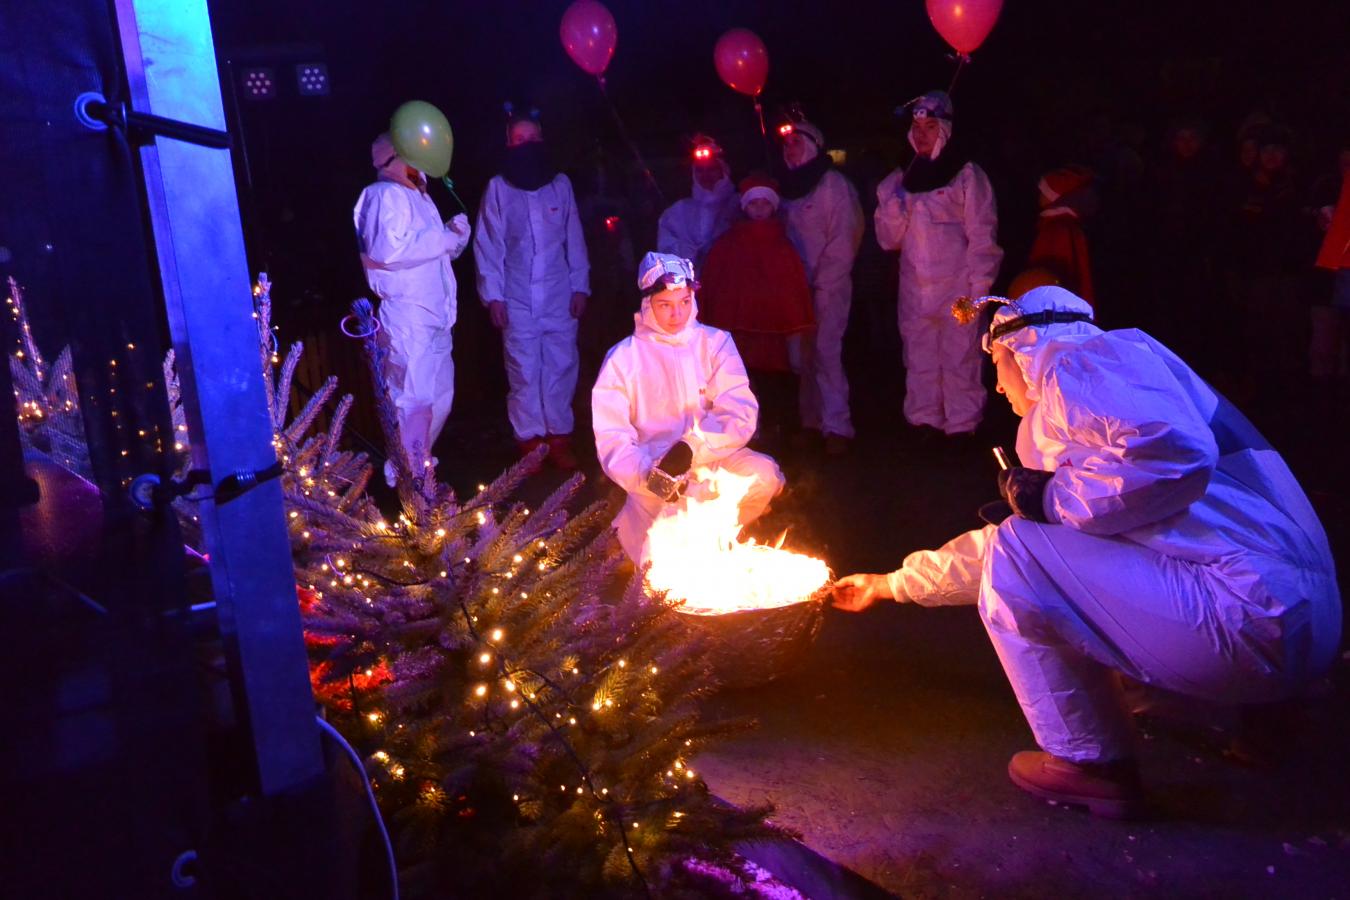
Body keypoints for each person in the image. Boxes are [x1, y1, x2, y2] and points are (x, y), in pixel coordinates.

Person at [832, 286, 1341, 819]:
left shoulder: (1078, 366)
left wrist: (1050, 496)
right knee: (1034, 550)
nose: (1000, 388)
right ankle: (1261, 716)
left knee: (1018, 547)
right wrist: (891, 583)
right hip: (1305, 629)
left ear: (1019, 350)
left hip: (1248, 626)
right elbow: (1068, 541)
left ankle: (1090, 764)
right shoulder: (1139, 375)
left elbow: (1176, 456)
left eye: (996, 367)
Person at [592, 252, 784, 563]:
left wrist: (693, 448)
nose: (677, 313)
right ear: (648, 305)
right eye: (665, 305)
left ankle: (727, 534)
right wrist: (651, 476)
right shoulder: (623, 358)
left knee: (763, 475)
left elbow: (738, 410)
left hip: (712, 456)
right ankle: (631, 538)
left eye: (684, 301)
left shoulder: (716, 342)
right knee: (662, 567)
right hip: (654, 471)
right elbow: (612, 436)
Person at [875, 90, 1002, 441]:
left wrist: (979, 289)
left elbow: (982, 234)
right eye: (918, 127)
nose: (921, 135)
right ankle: (924, 422)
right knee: (920, 358)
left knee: (961, 358)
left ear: (945, 130)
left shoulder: (965, 176)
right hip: (915, 289)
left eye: (931, 127)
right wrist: (893, 207)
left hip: (957, 286)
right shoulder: (899, 181)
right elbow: (889, 240)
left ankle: (962, 426)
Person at [473, 109, 590, 469]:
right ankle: (529, 440)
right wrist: (493, 295)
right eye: (519, 140)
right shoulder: (498, 188)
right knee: (523, 370)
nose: (527, 145)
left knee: (560, 364)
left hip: (558, 294)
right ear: (509, 143)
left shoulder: (560, 184)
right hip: (517, 296)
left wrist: (579, 286)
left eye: (533, 139)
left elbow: (574, 238)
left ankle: (558, 436)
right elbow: (488, 244)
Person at [354, 132, 471, 486]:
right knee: (414, 402)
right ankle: (413, 483)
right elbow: (388, 250)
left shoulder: (419, 197)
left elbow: (428, 254)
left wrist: (454, 238)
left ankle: (416, 470)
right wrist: (444, 239)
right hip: (408, 317)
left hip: (435, 315)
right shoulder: (382, 195)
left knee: (440, 399)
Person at [699, 174, 816, 442]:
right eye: (754, 204)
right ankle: (745, 432)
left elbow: (792, 284)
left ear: (773, 206)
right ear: (744, 206)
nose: (760, 209)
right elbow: (717, 280)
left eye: (765, 203)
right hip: (740, 333)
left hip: (775, 333)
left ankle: (780, 431)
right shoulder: (727, 244)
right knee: (742, 379)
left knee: (776, 379)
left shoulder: (783, 244)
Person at [777, 112, 864, 455]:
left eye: (797, 142)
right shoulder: (784, 189)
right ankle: (810, 422)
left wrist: (823, 282)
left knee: (826, 352)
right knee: (800, 358)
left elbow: (845, 238)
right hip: (794, 290)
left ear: (813, 145)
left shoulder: (833, 186)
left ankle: (837, 426)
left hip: (828, 286)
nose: (790, 149)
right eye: (786, 144)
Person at [656, 135, 740, 272]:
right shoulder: (677, 212)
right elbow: (666, 250)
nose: (706, 175)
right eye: (700, 171)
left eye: (712, 169)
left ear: (723, 171)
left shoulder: (742, 204)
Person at [1027, 164, 1096, 305]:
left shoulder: (1057, 229)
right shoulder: (1067, 226)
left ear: (1055, 196)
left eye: (1043, 191)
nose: (1039, 195)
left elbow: (1047, 275)